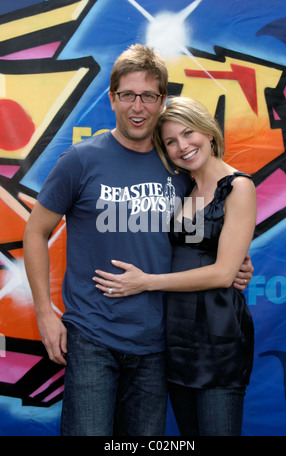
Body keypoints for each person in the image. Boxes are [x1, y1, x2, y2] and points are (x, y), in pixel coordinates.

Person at [23, 44, 253, 436]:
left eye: (149, 95)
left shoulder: (179, 165)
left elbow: (206, 230)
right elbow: (35, 232)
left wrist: (234, 266)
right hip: (93, 337)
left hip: (159, 344)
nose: (138, 106)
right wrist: (45, 313)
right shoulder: (80, 160)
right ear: (112, 98)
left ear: (162, 100)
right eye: (128, 94)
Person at [93, 96, 257, 436]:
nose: (182, 146)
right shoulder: (183, 188)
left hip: (218, 340)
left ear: (208, 132)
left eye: (188, 133)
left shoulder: (239, 187)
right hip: (176, 339)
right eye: (170, 141)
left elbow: (224, 273)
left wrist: (146, 282)